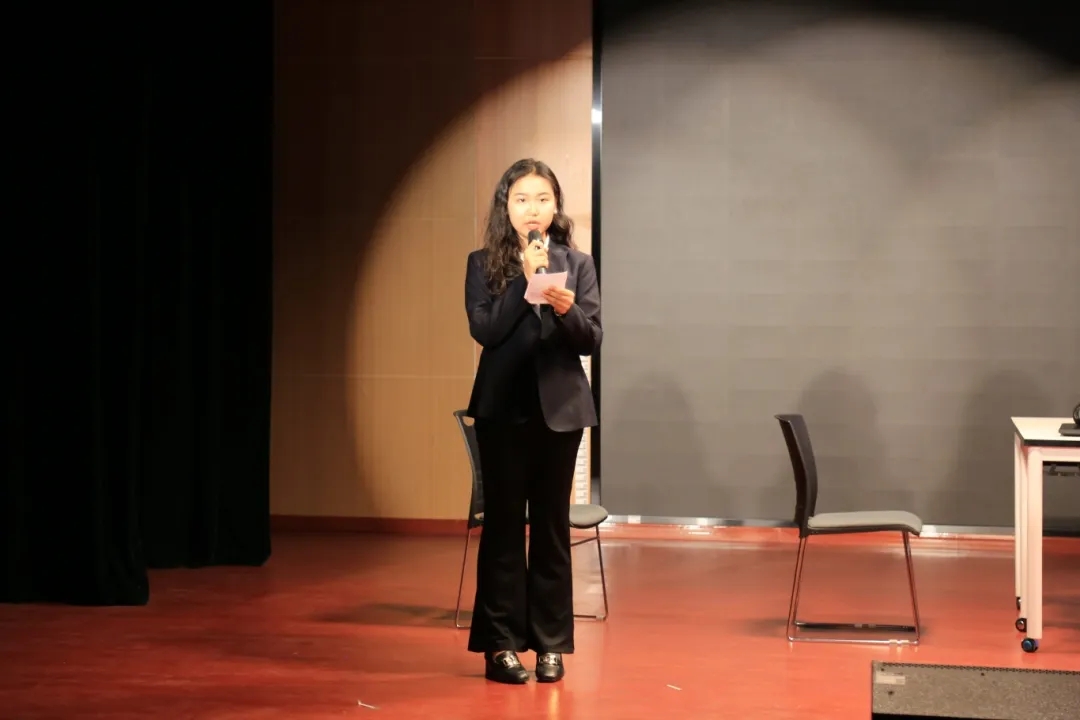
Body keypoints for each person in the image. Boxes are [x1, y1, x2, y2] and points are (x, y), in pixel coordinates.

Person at [463, 158, 602, 684]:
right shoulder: (483, 264)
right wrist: (524, 282)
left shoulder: (578, 264)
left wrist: (566, 310)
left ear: (556, 206)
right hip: (502, 412)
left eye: (543, 199)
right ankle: (499, 645)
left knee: (550, 530)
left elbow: (590, 339)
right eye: (521, 199)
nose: (532, 209)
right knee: (502, 528)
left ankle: (550, 645)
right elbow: (486, 332)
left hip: (559, 413)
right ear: (507, 207)